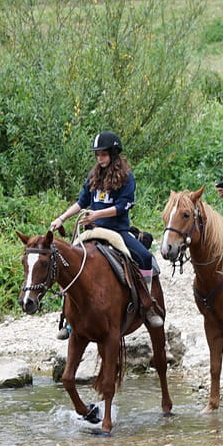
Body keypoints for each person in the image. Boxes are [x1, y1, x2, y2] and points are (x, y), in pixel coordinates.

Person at [48, 131, 164, 339]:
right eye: (97, 154)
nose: (100, 158)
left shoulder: (127, 178)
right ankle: (67, 318)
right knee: (68, 264)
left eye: (103, 154)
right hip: (92, 232)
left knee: (145, 258)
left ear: (113, 153)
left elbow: (122, 206)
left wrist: (97, 215)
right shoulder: (93, 177)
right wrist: (61, 218)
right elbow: (81, 201)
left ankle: (148, 305)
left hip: (117, 231)